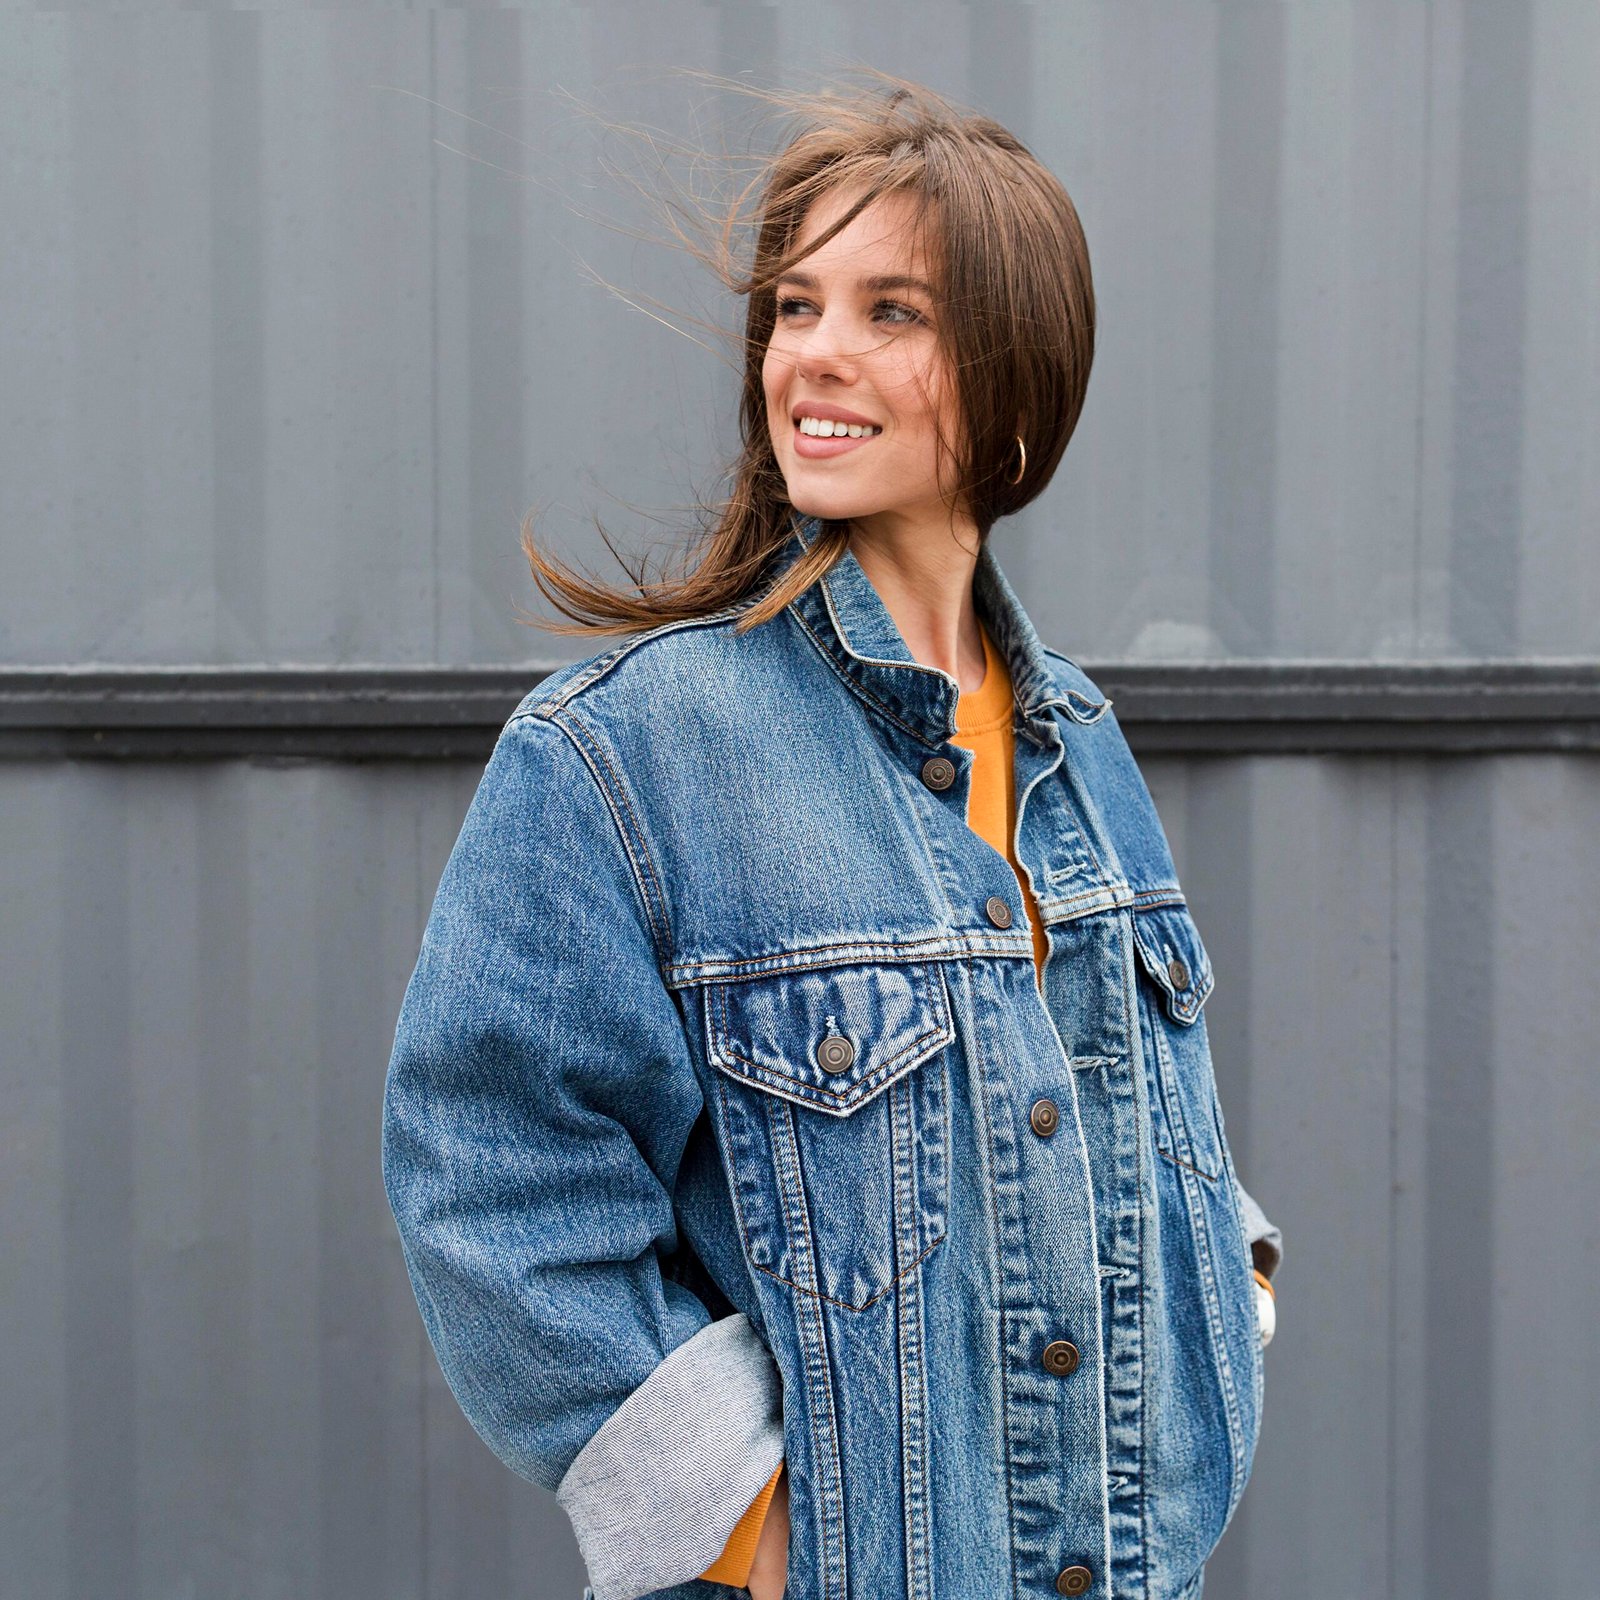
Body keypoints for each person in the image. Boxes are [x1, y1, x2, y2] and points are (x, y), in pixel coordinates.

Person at [382, 73, 1282, 1600]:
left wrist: (1234, 1297)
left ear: (1017, 366)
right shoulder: (623, 748)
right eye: (796, 307)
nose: (816, 355)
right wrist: (747, 1527)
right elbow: (491, 1177)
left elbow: (1140, 1111)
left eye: (892, 313)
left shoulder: (1080, 734)